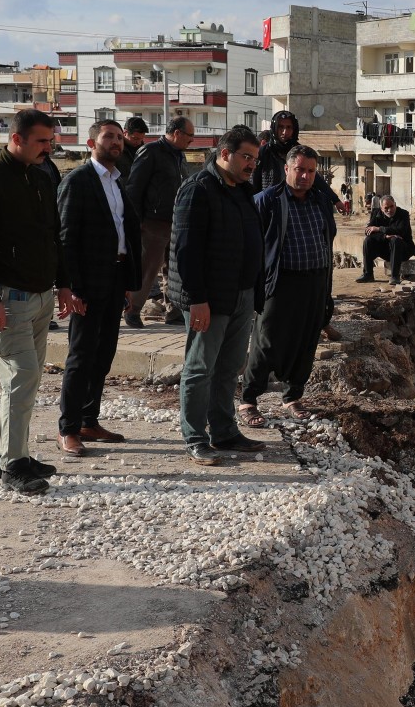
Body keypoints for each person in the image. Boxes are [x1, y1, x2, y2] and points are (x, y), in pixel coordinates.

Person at [0, 109, 78, 494]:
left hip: (43, 297)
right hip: (8, 300)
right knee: (21, 378)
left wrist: (63, 284)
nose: (50, 147)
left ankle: (13, 454)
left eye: (50, 140)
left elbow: (52, 235)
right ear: (17, 140)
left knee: (25, 382)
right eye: (42, 141)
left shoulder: (40, 176)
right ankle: (13, 466)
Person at [168, 126, 268, 465]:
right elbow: (186, 251)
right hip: (208, 298)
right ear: (225, 154)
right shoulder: (198, 189)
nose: (252, 164)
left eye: (255, 158)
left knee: (228, 368)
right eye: (246, 157)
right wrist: (197, 299)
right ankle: (195, 438)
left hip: (241, 294)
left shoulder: (241, 190)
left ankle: (224, 431)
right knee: (200, 368)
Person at [56, 119, 142, 457]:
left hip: (115, 278)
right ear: (92, 143)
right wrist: (70, 286)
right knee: (81, 355)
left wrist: (127, 284)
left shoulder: (118, 182)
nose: (116, 142)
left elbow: (123, 233)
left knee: (104, 353)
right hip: (86, 284)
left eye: (120, 138)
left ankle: (89, 420)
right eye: (109, 137)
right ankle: (68, 428)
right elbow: (65, 239)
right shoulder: (78, 181)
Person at [240, 145, 335, 424]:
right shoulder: (267, 201)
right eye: (300, 169)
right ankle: (248, 400)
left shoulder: (320, 201)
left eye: (310, 171)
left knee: (306, 341)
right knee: (266, 340)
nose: (305, 176)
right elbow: (253, 245)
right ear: (287, 169)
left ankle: (293, 396)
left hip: (315, 281)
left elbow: (327, 239)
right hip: (280, 282)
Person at [124, 117, 194, 329]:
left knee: (174, 269)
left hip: (175, 221)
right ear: (177, 133)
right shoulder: (151, 152)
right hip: (153, 222)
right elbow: (134, 188)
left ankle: (173, 310)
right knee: (148, 268)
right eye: (189, 135)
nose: (192, 140)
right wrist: (137, 222)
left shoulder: (179, 156)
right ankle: (133, 310)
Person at [252, 110, 344, 212]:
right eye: (281, 127)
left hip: (298, 208)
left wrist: (335, 200)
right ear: (274, 128)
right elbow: (253, 183)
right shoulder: (263, 153)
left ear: (294, 129)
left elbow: (316, 180)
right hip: (270, 209)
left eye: (288, 127)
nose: (284, 132)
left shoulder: (300, 152)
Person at [357, 194, 415, 285]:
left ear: (395, 204)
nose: (389, 210)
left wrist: (379, 229)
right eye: (386, 208)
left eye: (392, 206)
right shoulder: (376, 214)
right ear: (381, 208)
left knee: (395, 240)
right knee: (368, 240)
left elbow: (400, 231)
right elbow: (368, 231)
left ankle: (395, 276)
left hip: (402, 250)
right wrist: (384, 236)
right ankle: (368, 274)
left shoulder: (403, 214)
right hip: (386, 249)